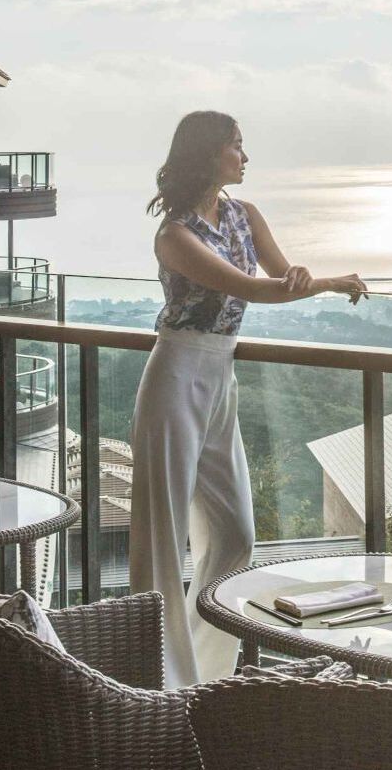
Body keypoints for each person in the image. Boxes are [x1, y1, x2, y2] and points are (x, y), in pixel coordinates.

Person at [130, 110, 365, 686]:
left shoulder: (244, 214)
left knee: (234, 536)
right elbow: (251, 289)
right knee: (161, 538)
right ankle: (149, 681)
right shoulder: (176, 235)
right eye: (237, 145)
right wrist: (330, 283)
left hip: (220, 376)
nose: (245, 155)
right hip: (177, 373)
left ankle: (201, 675)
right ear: (208, 154)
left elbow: (281, 276)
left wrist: (311, 278)